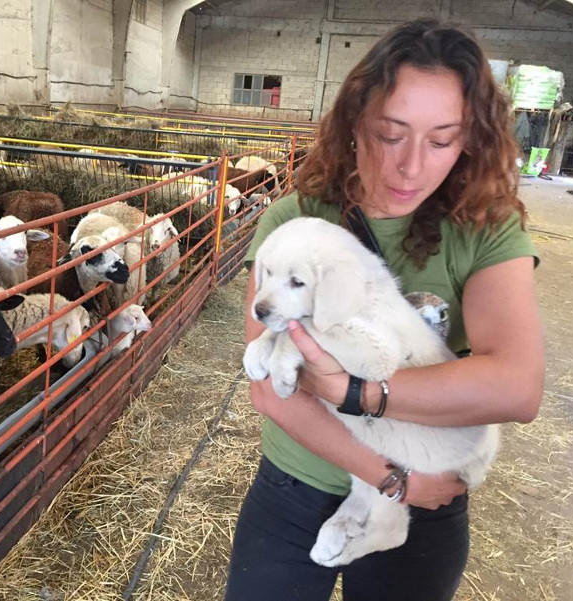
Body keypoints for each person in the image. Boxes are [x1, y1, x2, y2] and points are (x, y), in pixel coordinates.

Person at [226, 19, 544, 601]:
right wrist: (391, 480)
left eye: (442, 139)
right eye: (390, 134)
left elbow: (516, 388)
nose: (412, 165)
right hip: (299, 486)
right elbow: (269, 386)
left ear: (471, 137)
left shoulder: (485, 229)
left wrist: (359, 392)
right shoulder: (295, 222)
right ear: (354, 125)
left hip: (432, 499)